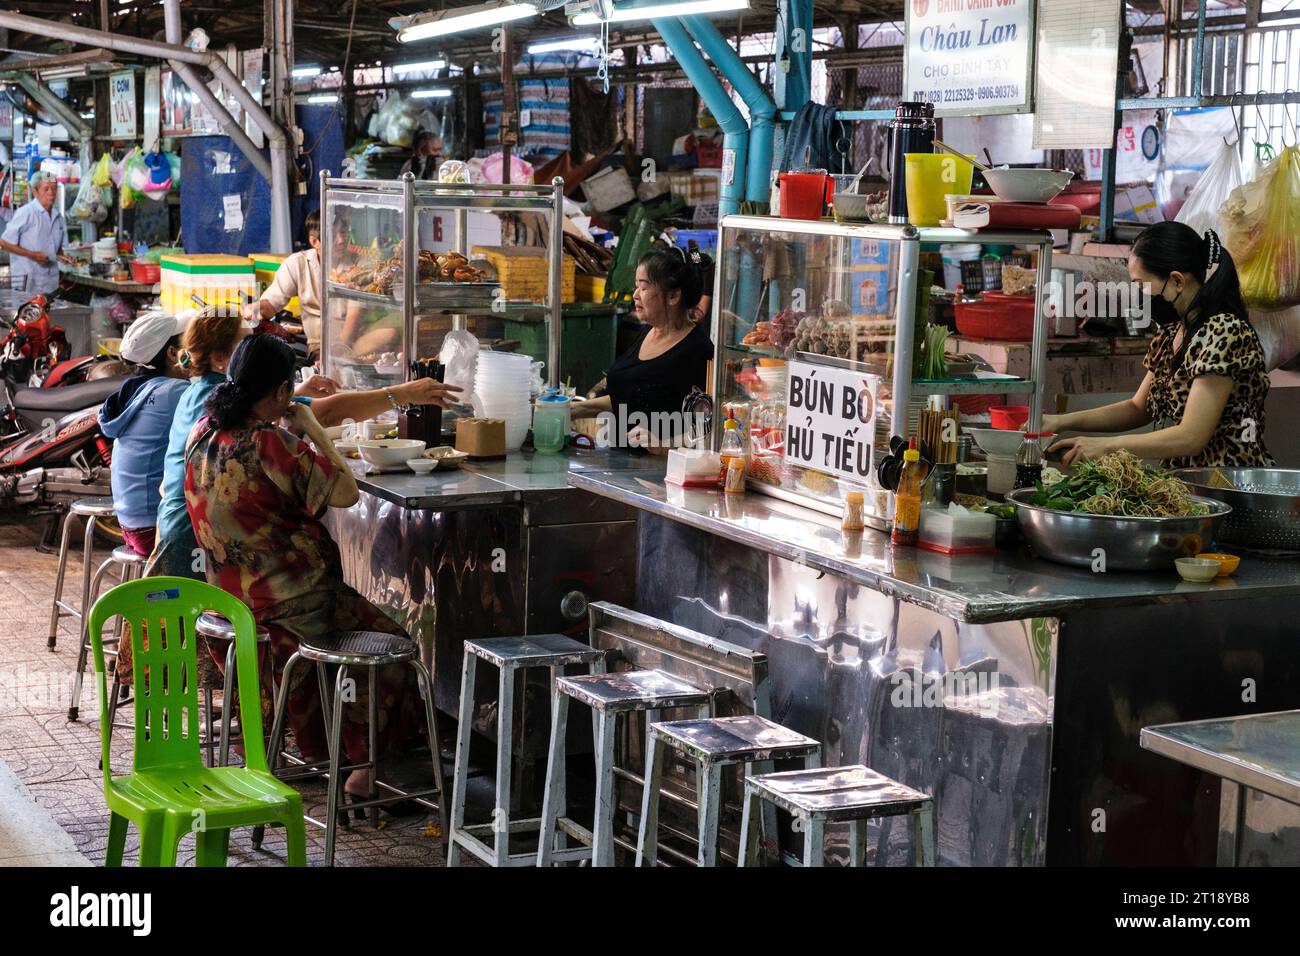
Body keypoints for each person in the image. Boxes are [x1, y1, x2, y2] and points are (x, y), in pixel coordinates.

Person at [184, 334, 429, 787]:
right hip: (292, 609)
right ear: (280, 391)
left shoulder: (203, 432)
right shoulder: (271, 444)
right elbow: (346, 492)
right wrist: (314, 430)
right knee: (395, 648)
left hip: (229, 603)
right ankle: (362, 767)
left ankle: (324, 748)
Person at [148, 310, 462, 579]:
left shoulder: (210, 394)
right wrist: (404, 393)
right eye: (243, 344)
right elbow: (331, 418)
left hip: (197, 538)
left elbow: (303, 406)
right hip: (195, 541)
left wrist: (294, 390)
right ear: (219, 359)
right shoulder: (249, 423)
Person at [1045, 222, 1272, 469]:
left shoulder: (1225, 332)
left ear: (1176, 280)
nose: (1140, 294)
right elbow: (1138, 407)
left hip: (1228, 484)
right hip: (1186, 482)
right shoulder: (1172, 332)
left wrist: (1105, 446)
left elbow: (1191, 437)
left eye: (1142, 284)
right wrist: (1060, 422)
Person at [571, 247, 714, 446]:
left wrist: (664, 445)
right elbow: (630, 395)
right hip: (621, 461)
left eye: (644, 288)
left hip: (660, 471)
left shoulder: (698, 352)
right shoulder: (648, 332)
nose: (636, 294)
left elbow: (710, 431)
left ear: (673, 296)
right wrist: (575, 410)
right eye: (636, 286)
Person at [98, 312, 191, 556]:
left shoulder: (139, 388)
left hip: (131, 522)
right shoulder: (174, 391)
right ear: (172, 354)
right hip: (153, 527)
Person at [243, 209, 327, 362]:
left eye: (345, 233)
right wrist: (256, 308)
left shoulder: (357, 266)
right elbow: (272, 302)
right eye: (334, 236)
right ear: (315, 242)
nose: (342, 240)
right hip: (322, 347)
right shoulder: (298, 264)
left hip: (360, 342)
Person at [1, 172, 67, 295]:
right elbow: (4, 242)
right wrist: (33, 255)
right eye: (46, 188)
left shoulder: (58, 217)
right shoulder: (26, 213)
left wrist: (64, 256)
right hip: (28, 284)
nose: (51, 192)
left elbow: (55, 249)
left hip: (51, 283)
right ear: (35, 191)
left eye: (54, 188)